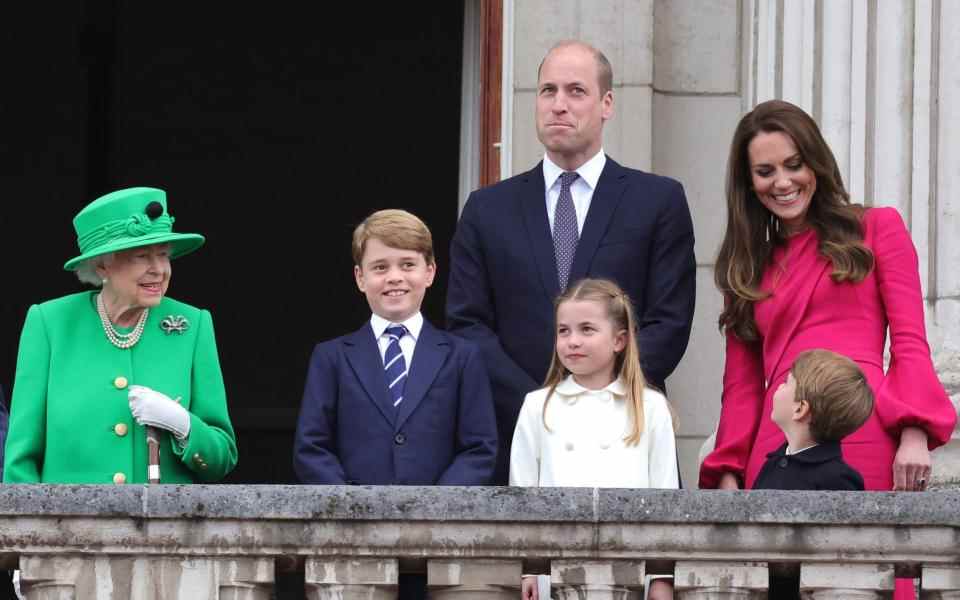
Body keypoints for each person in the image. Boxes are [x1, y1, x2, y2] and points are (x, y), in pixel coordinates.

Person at [698, 99, 957, 597]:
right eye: (765, 171)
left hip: (865, 431)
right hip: (780, 445)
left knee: (865, 581)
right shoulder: (745, 266)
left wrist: (914, 432)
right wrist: (729, 467)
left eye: (794, 165)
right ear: (748, 182)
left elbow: (909, 342)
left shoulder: (877, 227)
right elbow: (742, 386)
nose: (783, 182)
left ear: (816, 162)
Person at [448, 40, 696, 484]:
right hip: (519, 435)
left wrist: (603, 396)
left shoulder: (656, 201)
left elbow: (669, 322)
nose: (558, 105)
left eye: (576, 91)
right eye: (548, 91)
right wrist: (544, 402)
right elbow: (468, 325)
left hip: (627, 434)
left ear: (606, 104)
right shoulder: (487, 209)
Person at [4, 187, 238, 485]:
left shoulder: (193, 325)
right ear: (103, 264)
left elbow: (222, 458)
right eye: (142, 256)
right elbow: (20, 462)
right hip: (67, 527)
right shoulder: (50, 324)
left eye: (164, 255)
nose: (159, 270)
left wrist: (184, 426)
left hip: (164, 527)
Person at [293, 209, 497, 486]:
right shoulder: (331, 358)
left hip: (438, 522)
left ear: (430, 272)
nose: (394, 277)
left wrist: (437, 507)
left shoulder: (462, 357)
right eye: (380, 267)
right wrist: (350, 507)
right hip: (353, 522)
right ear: (360, 277)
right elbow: (311, 448)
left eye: (407, 265)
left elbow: (479, 449)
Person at [510, 278, 677, 600]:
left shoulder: (650, 406)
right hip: (557, 565)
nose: (572, 341)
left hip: (630, 565)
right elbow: (523, 491)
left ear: (619, 340)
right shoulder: (538, 404)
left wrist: (660, 575)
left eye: (587, 329)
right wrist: (529, 567)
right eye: (563, 331)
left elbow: (665, 494)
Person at [753, 349, 874, 491]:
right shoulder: (772, 464)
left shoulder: (837, 479)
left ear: (800, 409)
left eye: (786, 383)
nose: (780, 386)